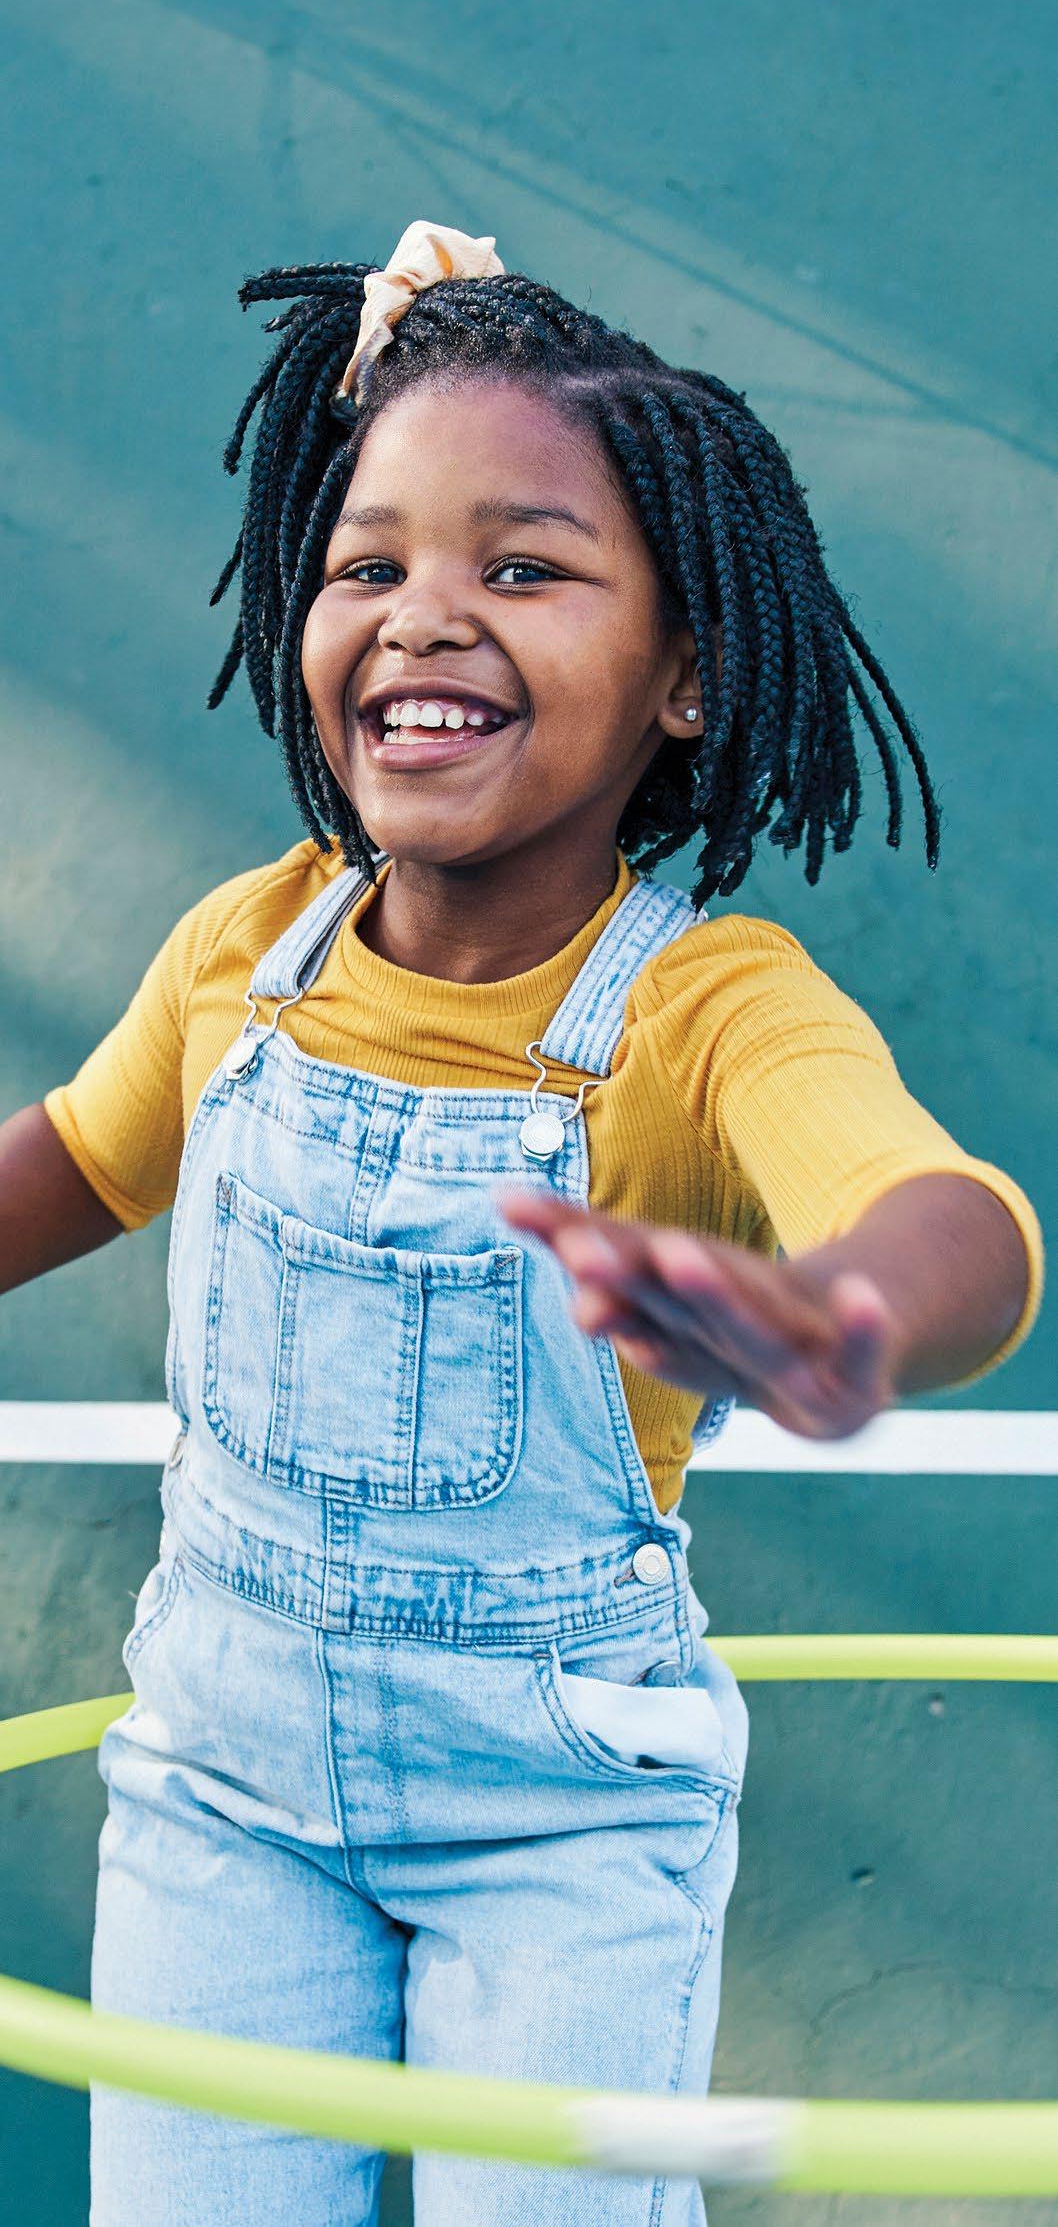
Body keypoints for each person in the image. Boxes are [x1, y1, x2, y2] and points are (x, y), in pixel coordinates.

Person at [0, 221, 1040, 2226]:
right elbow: (72, 1163)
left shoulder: (706, 1009)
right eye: (365, 564)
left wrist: (844, 1318)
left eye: (525, 569)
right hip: (220, 1792)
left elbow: (952, 1220)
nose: (423, 618)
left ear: (687, 673)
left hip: (556, 1823)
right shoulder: (242, 955)